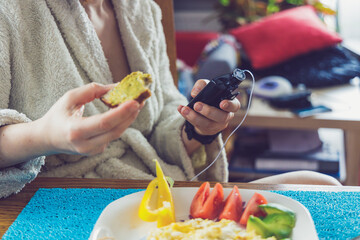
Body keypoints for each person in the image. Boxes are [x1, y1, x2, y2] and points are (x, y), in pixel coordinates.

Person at [0, 0, 340, 199]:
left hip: (153, 184)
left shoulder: (142, 9)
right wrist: (44, 137)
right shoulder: (10, 12)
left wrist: (197, 128)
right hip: (62, 200)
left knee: (321, 185)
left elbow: (163, 110)